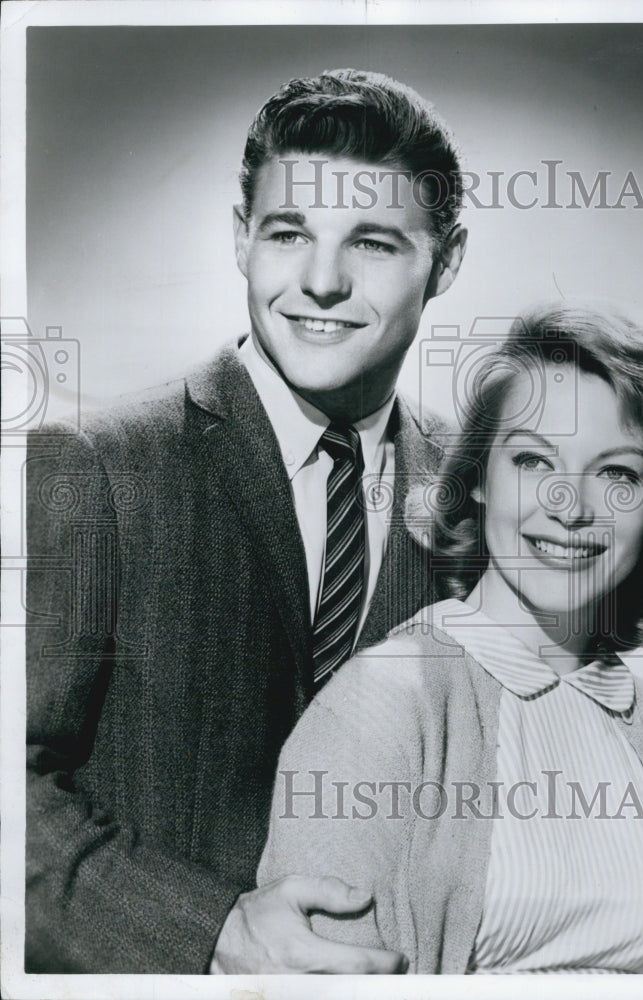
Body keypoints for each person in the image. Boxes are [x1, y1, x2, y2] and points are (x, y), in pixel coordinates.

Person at [25, 68, 467, 973]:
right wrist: (211, 931)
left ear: (447, 262)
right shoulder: (98, 465)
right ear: (241, 238)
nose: (320, 281)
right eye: (289, 232)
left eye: (374, 243)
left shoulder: (475, 492)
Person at [258, 301, 643, 974]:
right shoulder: (382, 708)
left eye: (616, 474)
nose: (570, 507)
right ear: (479, 477)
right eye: (535, 461)